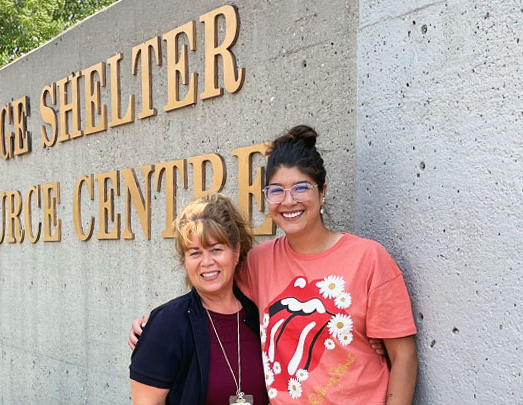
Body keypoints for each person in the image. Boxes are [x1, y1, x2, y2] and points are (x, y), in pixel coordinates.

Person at [132, 125, 418, 404]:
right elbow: (213, 284)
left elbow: (403, 357)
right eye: (276, 190)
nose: (288, 201)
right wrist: (153, 327)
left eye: (300, 187)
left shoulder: (369, 259)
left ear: (322, 192)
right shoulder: (259, 262)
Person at [129, 193, 269, 404]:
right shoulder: (166, 325)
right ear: (185, 260)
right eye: (195, 253)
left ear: (236, 251)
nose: (206, 261)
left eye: (216, 249)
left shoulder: (260, 314)